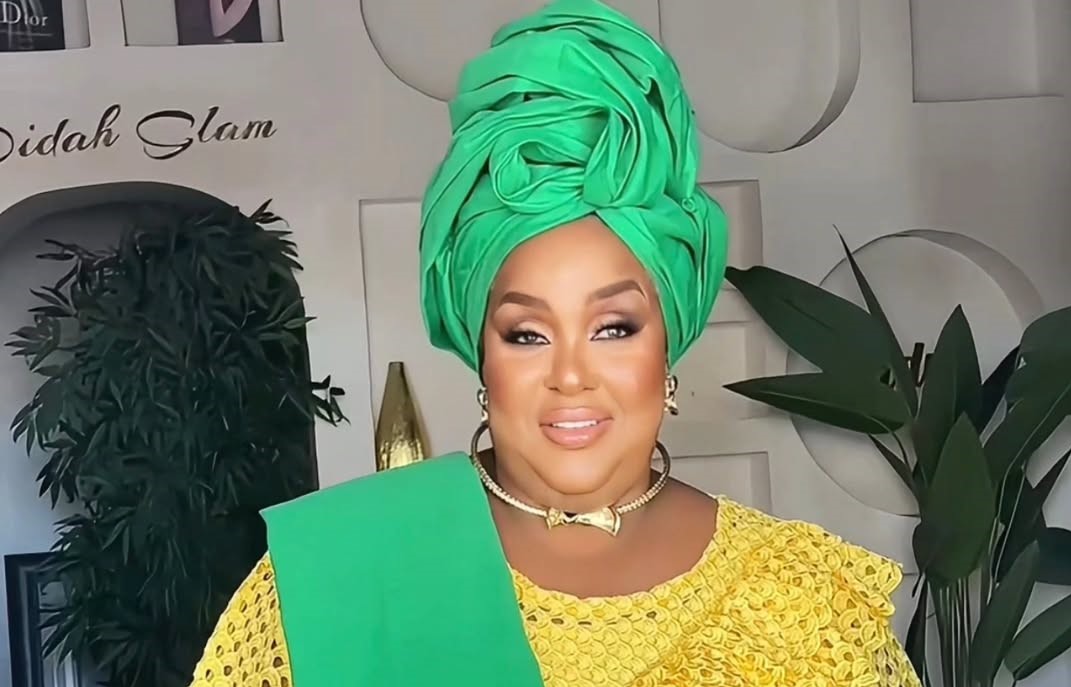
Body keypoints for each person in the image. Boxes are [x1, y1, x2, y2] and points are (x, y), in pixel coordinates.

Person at [187, 1, 922, 685]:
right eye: (528, 334)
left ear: (667, 349)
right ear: (483, 357)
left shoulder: (806, 606)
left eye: (613, 328)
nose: (571, 374)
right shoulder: (340, 572)